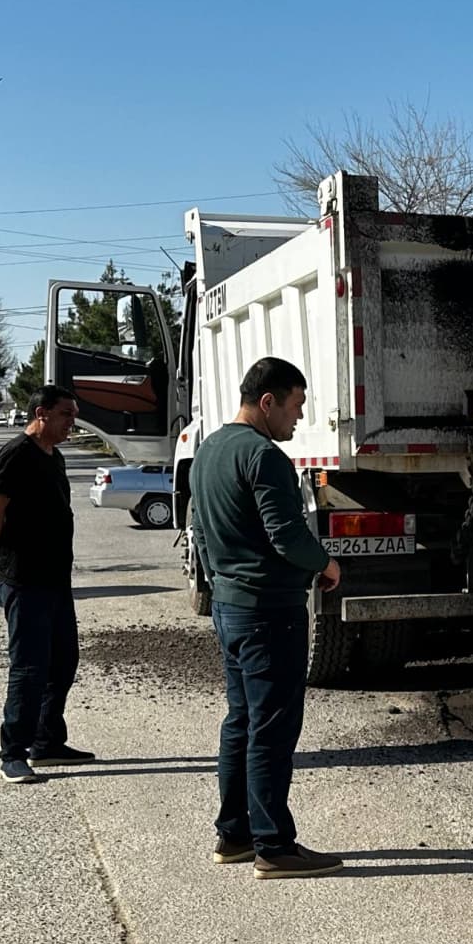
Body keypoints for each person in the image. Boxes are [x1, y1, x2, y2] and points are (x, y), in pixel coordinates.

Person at [191, 356, 344, 880]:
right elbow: (286, 534)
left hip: (231, 608)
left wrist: (220, 584)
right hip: (269, 612)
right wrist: (326, 564)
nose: (298, 418)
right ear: (268, 401)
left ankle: (233, 835)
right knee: (272, 730)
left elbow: (201, 532)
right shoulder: (265, 456)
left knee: (240, 721)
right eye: (296, 405)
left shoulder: (208, 450)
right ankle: (274, 847)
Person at [0, 385, 93, 785]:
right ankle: (13, 752)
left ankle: (47, 741)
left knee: (63, 661)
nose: (71, 423)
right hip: (24, 578)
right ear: (41, 414)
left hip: (55, 578)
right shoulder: (17, 454)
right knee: (29, 667)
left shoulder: (54, 456)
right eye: (66, 415)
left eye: (73, 415)